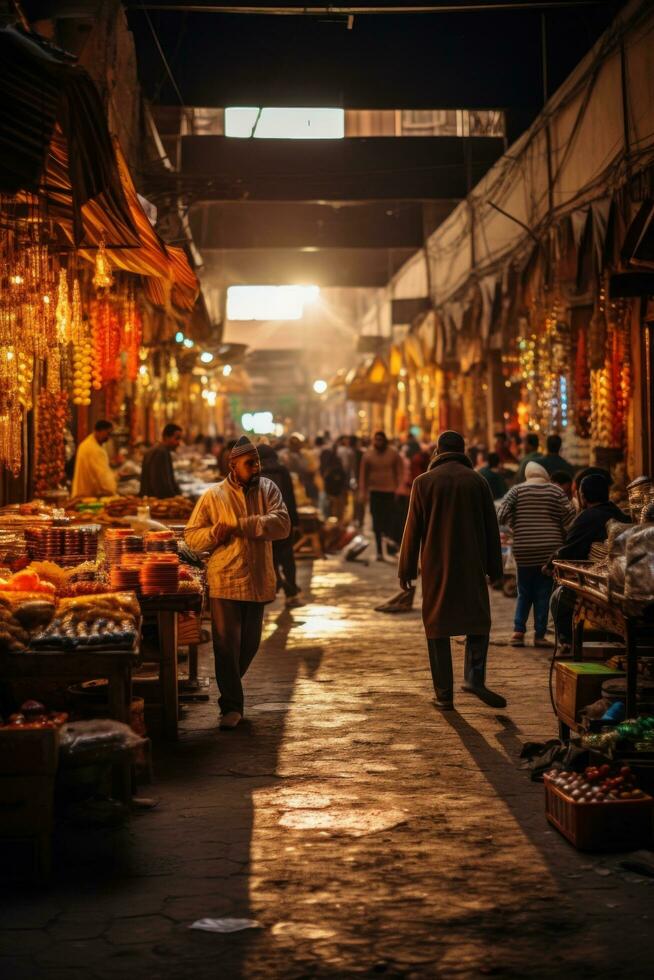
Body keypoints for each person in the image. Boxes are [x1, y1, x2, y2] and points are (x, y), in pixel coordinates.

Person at [184, 436, 290, 730]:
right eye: (250, 463)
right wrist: (214, 535)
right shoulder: (213, 495)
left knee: (250, 644)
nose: (256, 467)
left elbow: (281, 524)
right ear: (233, 465)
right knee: (225, 645)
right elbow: (192, 537)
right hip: (225, 578)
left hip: (256, 578)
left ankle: (230, 688)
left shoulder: (269, 490)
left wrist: (240, 525)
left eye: (257, 462)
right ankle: (231, 704)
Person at [398, 430, 505, 710]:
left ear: (437, 451)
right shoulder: (477, 481)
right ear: (463, 450)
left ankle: (443, 694)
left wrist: (406, 568)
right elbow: (491, 529)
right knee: (478, 619)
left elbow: (412, 529)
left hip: (436, 564)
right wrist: (496, 568)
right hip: (473, 562)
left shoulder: (424, 482)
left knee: (437, 625)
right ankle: (474, 677)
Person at [497, 461, 575, 648]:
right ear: (545, 476)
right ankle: (539, 635)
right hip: (548, 551)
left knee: (523, 592)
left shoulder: (516, 491)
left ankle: (518, 632)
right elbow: (570, 515)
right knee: (543, 593)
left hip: (523, 549)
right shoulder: (555, 491)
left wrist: (514, 526)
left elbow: (500, 514)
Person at [549, 474, 631, 650]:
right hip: (621, 579)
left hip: (600, 580)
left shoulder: (587, 516)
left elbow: (569, 549)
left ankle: (567, 642)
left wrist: (549, 564)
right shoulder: (620, 514)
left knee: (559, 597)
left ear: (583, 496)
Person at [257, 444, 302, 608]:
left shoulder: (256, 473)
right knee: (287, 558)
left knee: (270, 557)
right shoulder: (282, 471)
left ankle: (273, 588)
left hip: (264, 522)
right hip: (283, 520)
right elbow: (290, 497)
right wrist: (295, 522)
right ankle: (291, 595)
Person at [359, 431, 403, 561]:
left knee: (389, 521)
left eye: (380, 440)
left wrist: (399, 488)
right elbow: (363, 475)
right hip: (375, 492)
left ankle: (389, 548)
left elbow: (400, 471)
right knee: (376, 522)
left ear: (385, 440)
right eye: (376, 440)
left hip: (390, 492)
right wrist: (363, 492)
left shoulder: (393, 454)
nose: (378, 442)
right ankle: (379, 550)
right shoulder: (368, 455)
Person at [71, 420, 117, 498]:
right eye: (107, 433)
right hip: (87, 496)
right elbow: (102, 475)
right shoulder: (94, 449)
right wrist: (111, 489)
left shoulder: (87, 444)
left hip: (81, 493)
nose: (108, 437)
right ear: (99, 431)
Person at [139, 423, 183, 498]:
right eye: (177, 438)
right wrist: (174, 498)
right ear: (166, 437)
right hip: (156, 502)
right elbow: (161, 484)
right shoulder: (161, 452)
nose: (179, 443)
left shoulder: (157, 449)